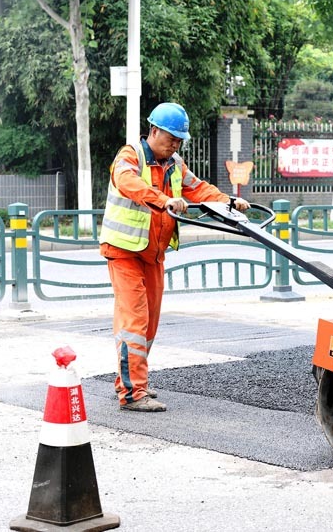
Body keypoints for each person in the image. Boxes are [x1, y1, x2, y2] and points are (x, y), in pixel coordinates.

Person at [99, 102, 249, 412]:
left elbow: (198, 189)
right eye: (171, 138)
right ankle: (132, 393)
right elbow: (129, 184)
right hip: (124, 251)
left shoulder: (174, 163)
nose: (175, 145)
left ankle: (131, 380)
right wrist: (165, 200)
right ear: (153, 131)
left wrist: (229, 201)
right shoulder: (130, 156)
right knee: (134, 321)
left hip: (153, 254)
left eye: (179, 140)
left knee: (149, 322)